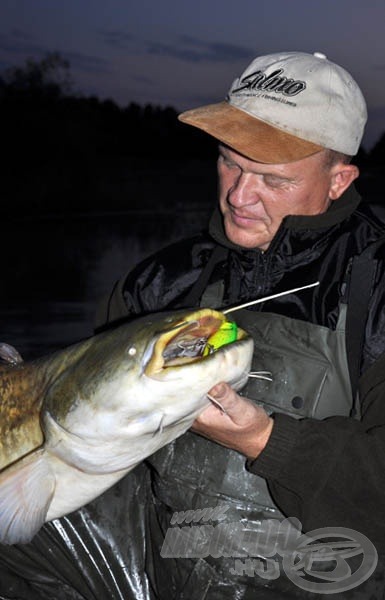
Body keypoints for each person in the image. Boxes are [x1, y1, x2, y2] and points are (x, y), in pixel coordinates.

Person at [1, 50, 385, 599]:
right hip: (167, 562)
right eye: (231, 162)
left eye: (272, 180)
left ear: (339, 181)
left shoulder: (377, 285)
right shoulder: (160, 281)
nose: (239, 195)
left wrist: (263, 439)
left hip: (323, 575)